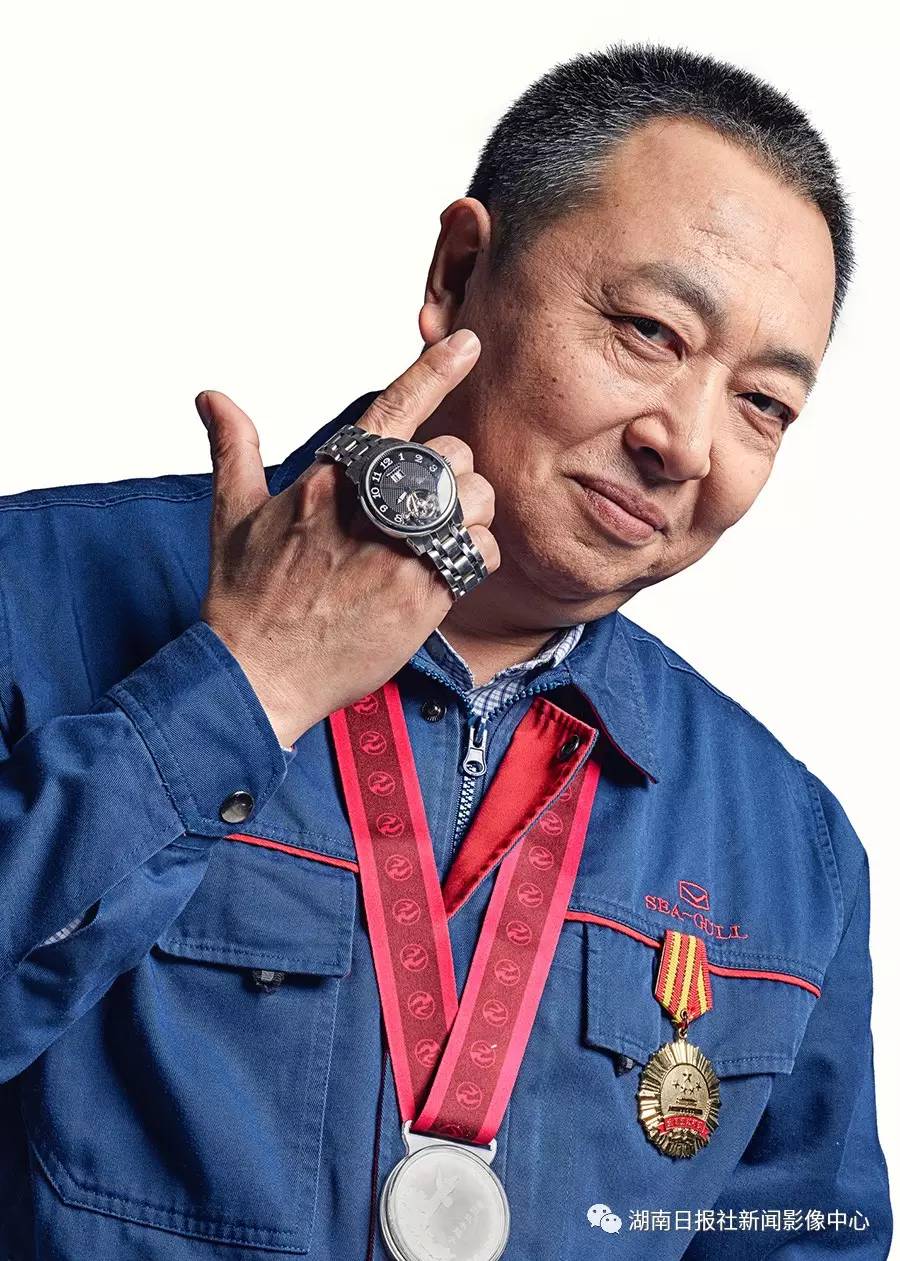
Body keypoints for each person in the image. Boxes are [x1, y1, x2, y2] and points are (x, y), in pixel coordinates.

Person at [0, 40, 891, 1261]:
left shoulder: (792, 847)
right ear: (460, 273)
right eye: (648, 329)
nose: (686, 442)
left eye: (764, 404)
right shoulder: (28, 597)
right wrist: (248, 683)